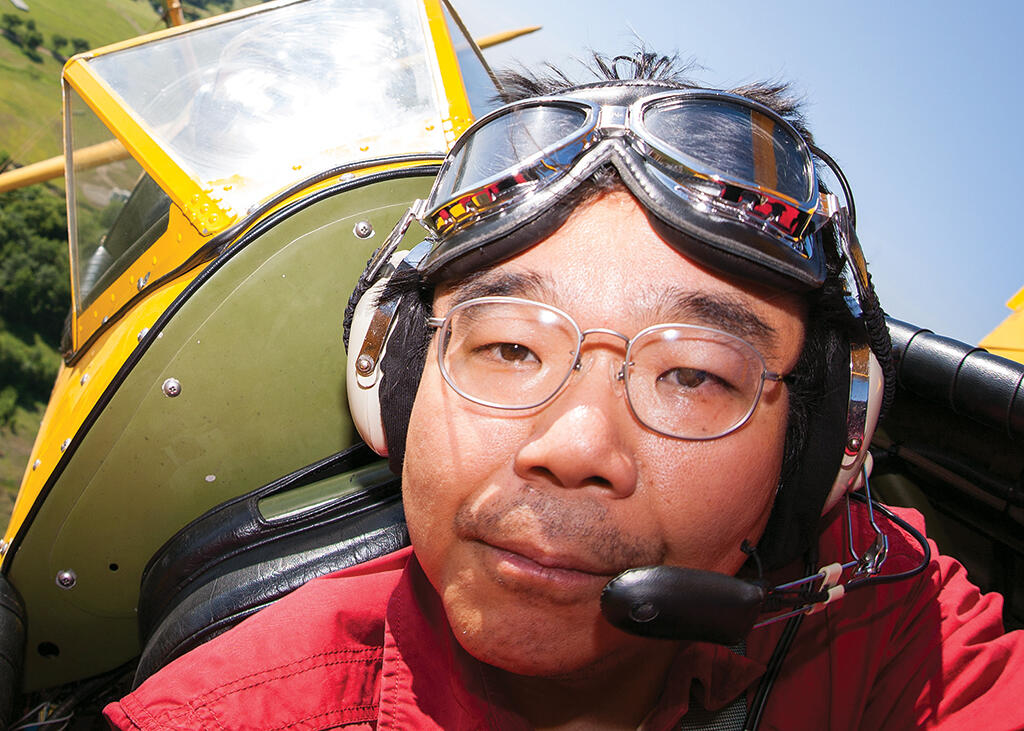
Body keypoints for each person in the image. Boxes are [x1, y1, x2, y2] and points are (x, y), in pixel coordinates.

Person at [104, 52, 1024, 730]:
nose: (576, 445)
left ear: (823, 445)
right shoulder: (222, 715)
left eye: (693, 375)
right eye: (509, 347)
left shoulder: (889, 625)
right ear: (395, 378)